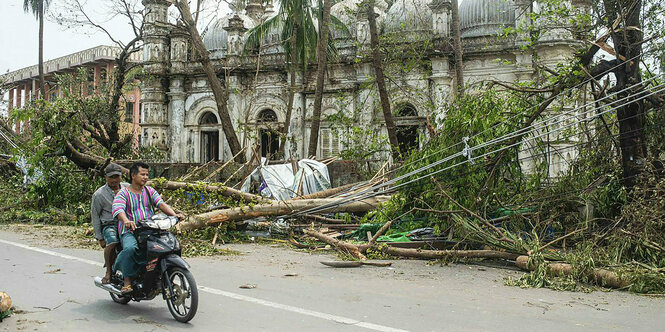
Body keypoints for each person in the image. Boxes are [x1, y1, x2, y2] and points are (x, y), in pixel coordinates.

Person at [112, 162, 184, 294]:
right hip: (130, 231)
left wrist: (175, 215)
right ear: (133, 175)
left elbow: (161, 204)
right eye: (142, 174)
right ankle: (127, 281)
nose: (145, 177)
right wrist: (126, 220)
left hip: (150, 229)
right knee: (130, 248)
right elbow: (118, 209)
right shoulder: (123, 193)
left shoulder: (149, 191)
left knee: (169, 246)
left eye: (147, 174)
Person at [91, 163, 129, 284]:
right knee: (112, 242)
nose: (114, 180)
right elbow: (95, 215)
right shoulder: (99, 194)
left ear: (121, 177)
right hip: (110, 224)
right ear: (106, 177)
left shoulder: (128, 188)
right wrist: (100, 237)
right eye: (111, 177)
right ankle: (108, 271)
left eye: (117, 176)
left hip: (127, 222)